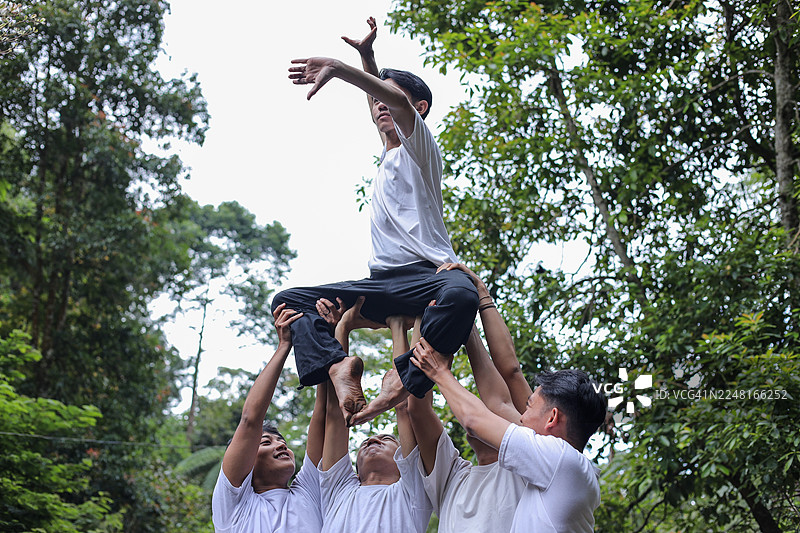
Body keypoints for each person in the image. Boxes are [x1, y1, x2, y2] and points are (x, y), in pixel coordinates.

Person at [271, 18, 478, 427]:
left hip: (428, 277)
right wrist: (366, 57)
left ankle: (402, 378)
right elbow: (379, 101)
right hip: (380, 287)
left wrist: (340, 67)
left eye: (389, 99)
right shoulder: (387, 152)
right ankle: (337, 367)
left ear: (417, 110)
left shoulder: (421, 149)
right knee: (287, 300)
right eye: (376, 101)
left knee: (463, 295)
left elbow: (392, 103)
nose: (379, 105)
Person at [411, 329, 608, 532]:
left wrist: (439, 372)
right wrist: (467, 328)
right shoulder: (559, 468)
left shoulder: (561, 461)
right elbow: (499, 404)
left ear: (552, 418)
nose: (521, 416)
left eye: (529, 406)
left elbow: (475, 420)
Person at [415, 263, 532, 533]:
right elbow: (418, 405)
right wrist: (454, 321)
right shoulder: (455, 478)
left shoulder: (530, 460)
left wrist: (440, 371)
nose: (487, 416)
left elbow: (505, 388)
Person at [316, 301, 435, 533]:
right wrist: (344, 326)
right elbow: (334, 414)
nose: (372, 440)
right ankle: (403, 319)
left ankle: (401, 321)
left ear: (403, 464)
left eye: (387, 440)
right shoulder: (340, 491)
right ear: (355, 470)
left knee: (407, 407)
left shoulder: (411, 492)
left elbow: (405, 407)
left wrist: (397, 327)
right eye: (367, 442)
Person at [211, 304, 325, 533]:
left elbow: (323, 416)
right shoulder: (234, 505)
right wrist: (284, 345)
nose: (281, 444)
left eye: (281, 441)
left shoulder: (309, 493)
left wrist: (328, 336)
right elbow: (250, 420)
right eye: (265, 442)